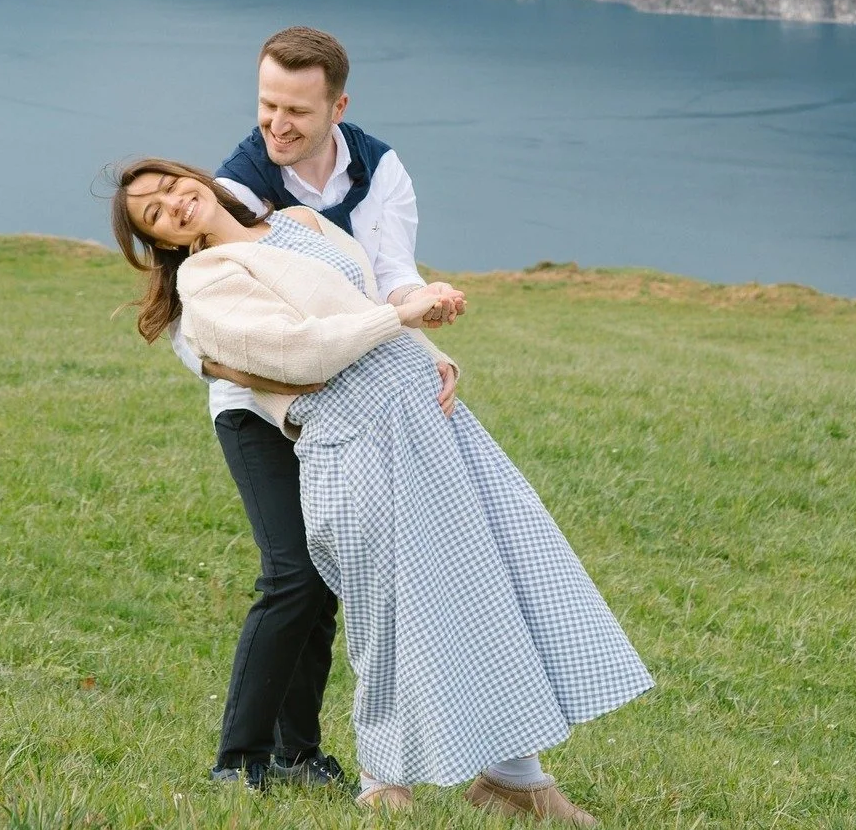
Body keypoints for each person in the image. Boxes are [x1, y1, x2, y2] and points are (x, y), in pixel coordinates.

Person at [113, 159, 653, 820]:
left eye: (171, 188)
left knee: (486, 582)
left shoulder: (299, 222)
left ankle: (515, 775)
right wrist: (398, 324)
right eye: (155, 215)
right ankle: (382, 777)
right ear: (162, 242)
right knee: (390, 608)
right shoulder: (207, 279)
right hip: (351, 438)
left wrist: (429, 344)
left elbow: (367, 300)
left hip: (421, 412)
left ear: (193, 175)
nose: (174, 206)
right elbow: (298, 353)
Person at [167, 26, 451, 794]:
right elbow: (193, 330)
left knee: (326, 576)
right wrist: (276, 391)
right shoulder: (236, 183)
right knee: (291, 574)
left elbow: (389, 271)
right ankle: (238, 758)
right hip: (256, 408)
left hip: (348, 399)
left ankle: (298, 752)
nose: (277, 125)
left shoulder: (379, 166)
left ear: (338, 106)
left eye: (296, 109)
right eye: (266, 105)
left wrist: (424, 336)